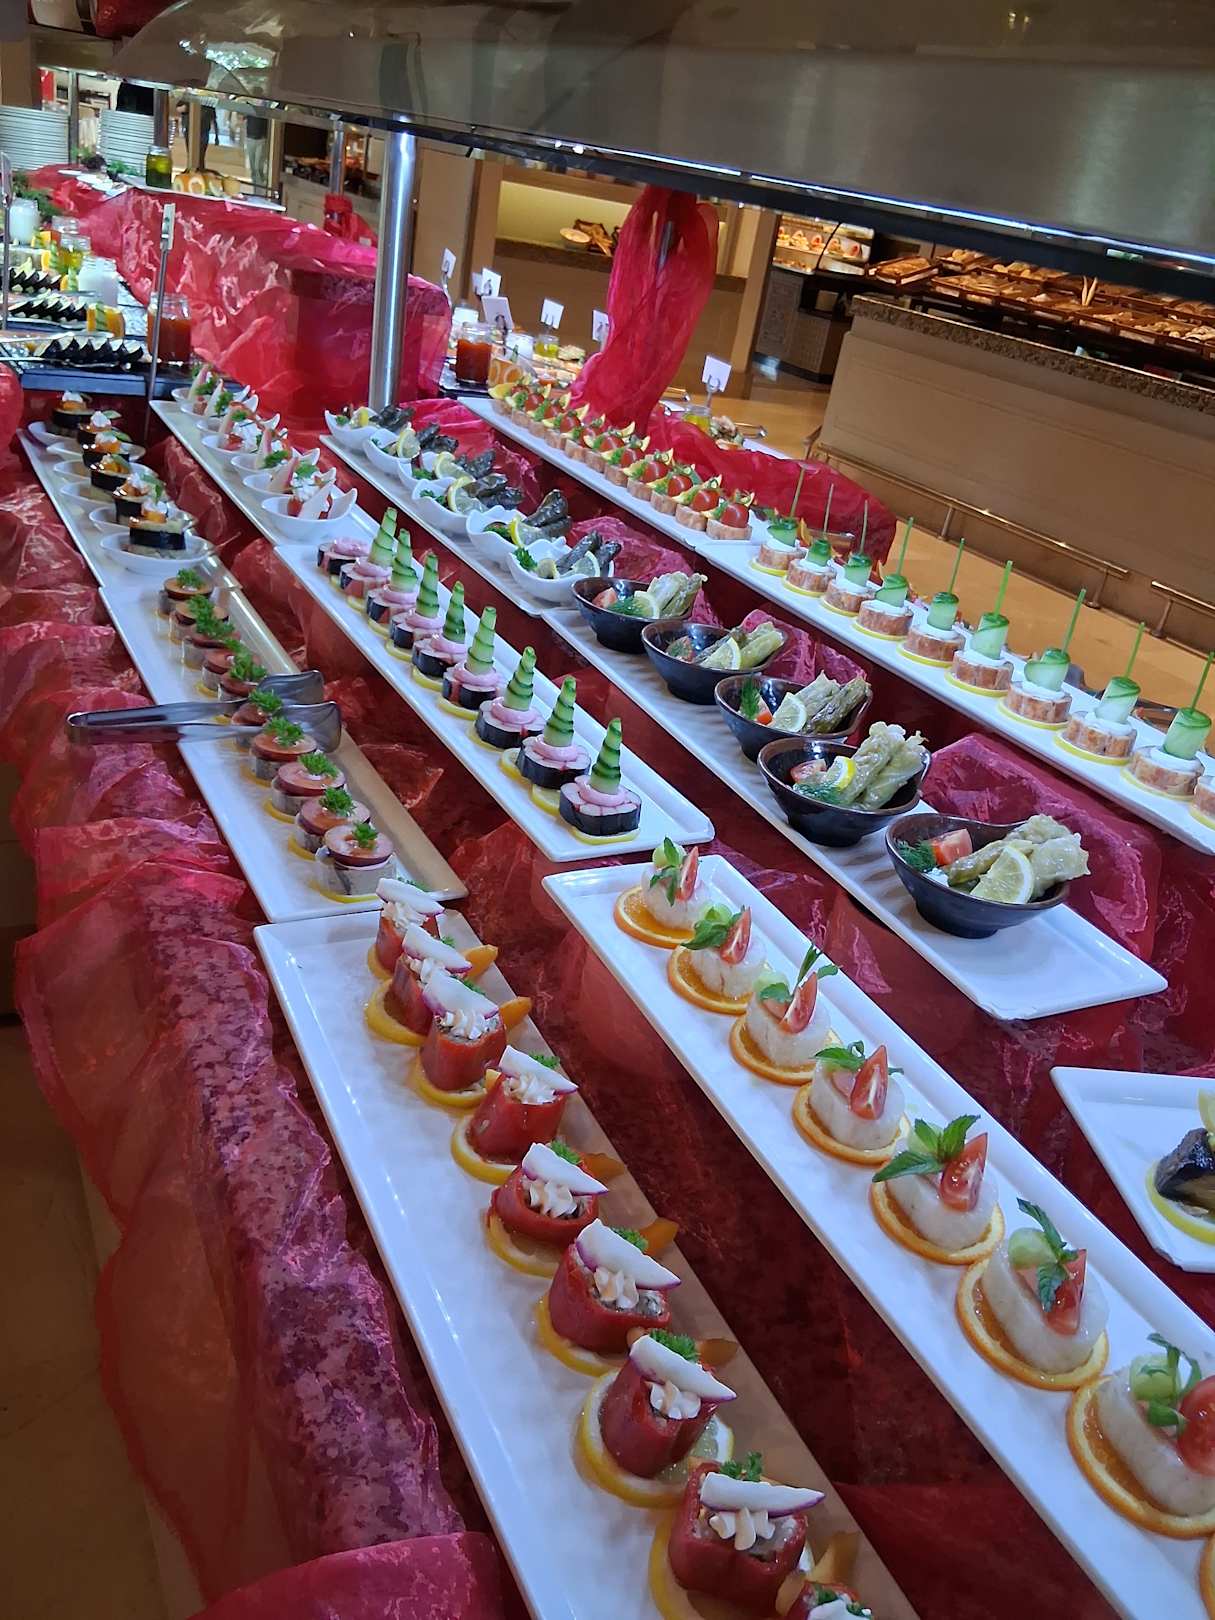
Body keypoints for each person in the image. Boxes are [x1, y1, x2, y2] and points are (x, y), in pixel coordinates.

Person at [245, 113, 269, 192]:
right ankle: (256, 190)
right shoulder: (250, 108)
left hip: (261, 139)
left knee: (258, 167)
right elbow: (242, 116)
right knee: (253, 168)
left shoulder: (265, 108)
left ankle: (260, 190)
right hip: (250, 138)